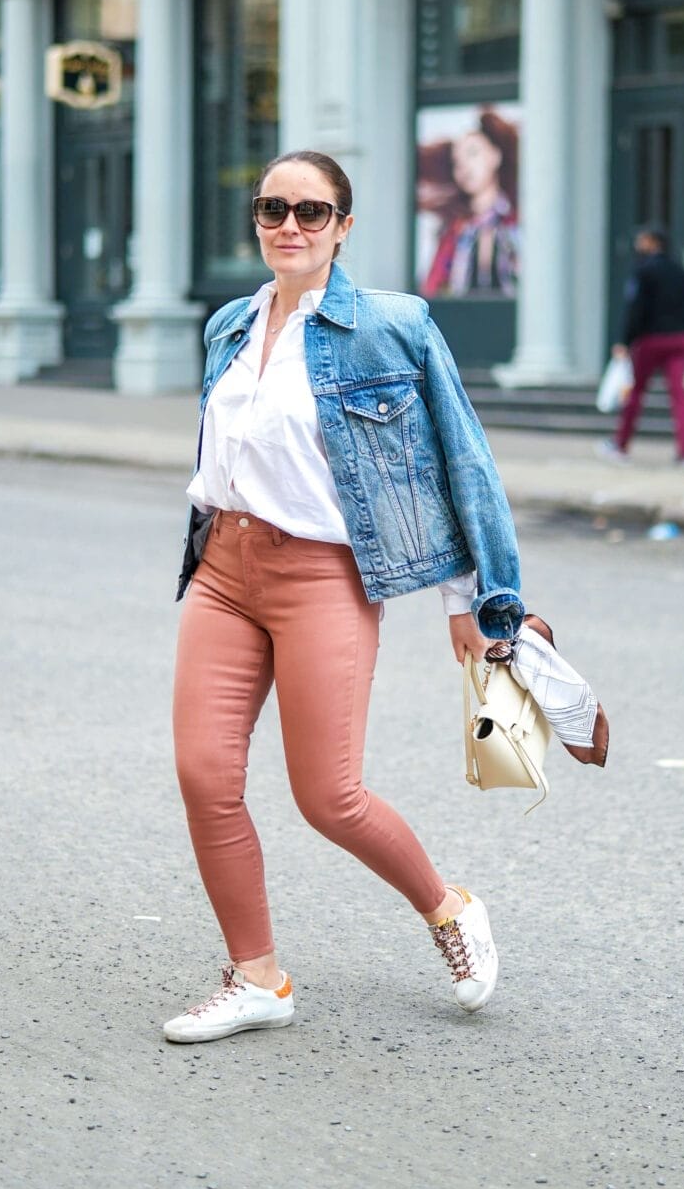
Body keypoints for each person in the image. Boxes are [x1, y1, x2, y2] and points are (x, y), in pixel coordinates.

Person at [166, 149, 526, 1044]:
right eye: (272, 208)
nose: (290, 225)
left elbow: (454, 461)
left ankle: (448, 909)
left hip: (322, 575)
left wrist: (472, 602)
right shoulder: (228, 325)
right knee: (205, 776)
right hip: (224, 570)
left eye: (312, 211)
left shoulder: (390, 326)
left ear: (344, 226)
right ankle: (258, 979)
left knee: (328, 797)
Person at [602, 224, 684, 467]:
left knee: (635, 393)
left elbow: (635, 309)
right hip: (679, 339)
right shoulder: (681, 272)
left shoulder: (644, 272)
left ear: (653, 243)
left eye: (643, 240)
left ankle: (621, 444)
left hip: (651, 340)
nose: (638, 244)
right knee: (679, 396)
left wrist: (625, 341)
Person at [419, 108, 520, 297]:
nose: (464, 166)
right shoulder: (455, 231)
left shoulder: (517, 222)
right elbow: (433, 290)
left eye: (473, 153)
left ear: (495, 156)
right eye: (457, 161)